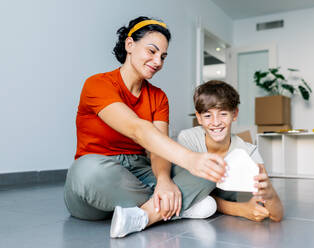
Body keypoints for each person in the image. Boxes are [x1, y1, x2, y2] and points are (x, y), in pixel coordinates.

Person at [64, 16, 227, 239]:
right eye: (152, 51)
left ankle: (145, 215)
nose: (158, 61)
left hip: (141, 170)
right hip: (102, 174)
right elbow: (137, 129)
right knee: (87, 171)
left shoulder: (158, 97)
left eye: (163, 56)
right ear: (130, 45)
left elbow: (157, 149)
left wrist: (164, 180)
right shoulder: (98, 84)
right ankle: (178, 206)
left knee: (209, 172)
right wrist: (190, 159)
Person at [177, 80, 283, 222]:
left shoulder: (247, 152)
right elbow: (185, 190)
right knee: (205, 203)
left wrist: (269, 193)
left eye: (223, 114)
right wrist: (239, 209)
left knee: (206, 204)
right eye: (208, 116)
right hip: (185, 196)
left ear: (234, 114)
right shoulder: (188, 139)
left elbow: (276, 215)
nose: (216, 122)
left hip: (209, 211)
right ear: (199, 118)